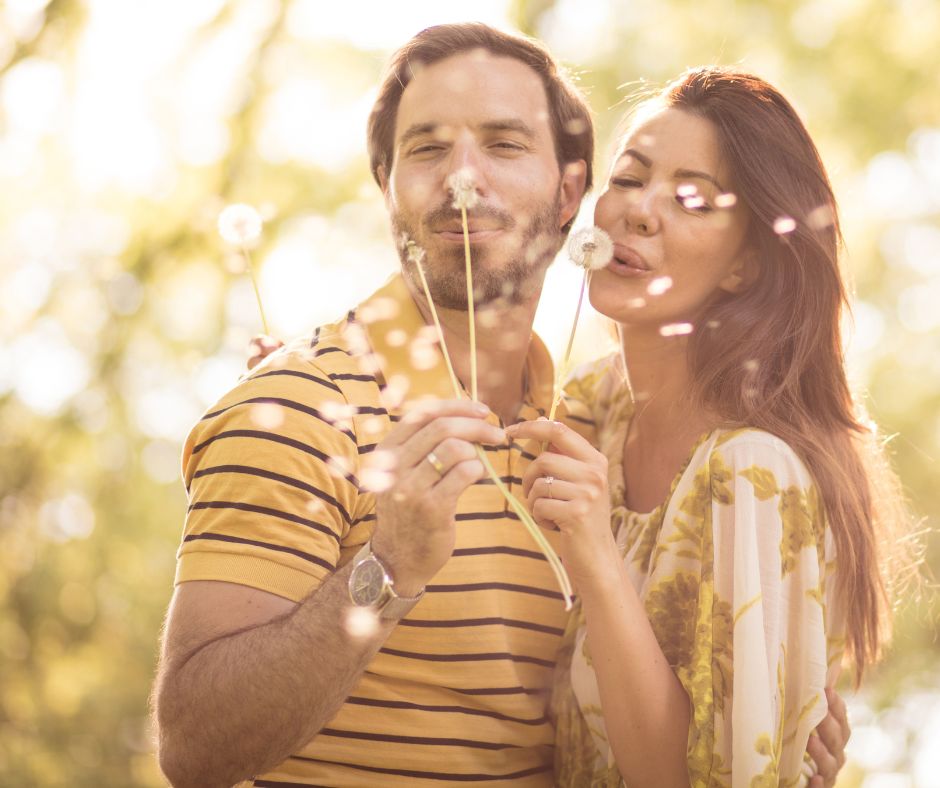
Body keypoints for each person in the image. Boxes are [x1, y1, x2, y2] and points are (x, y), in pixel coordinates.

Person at [152, 25, 850, 787]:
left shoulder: (588, 431)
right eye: (426, 149)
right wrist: (386, 570)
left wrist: (764, 720)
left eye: (504, 144)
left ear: (568, 194)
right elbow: (194, 751)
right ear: (385, 185)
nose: (463, 178)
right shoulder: (298, 409)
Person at [506, 67, 906, 786]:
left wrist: (595, 555)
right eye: (628, 178)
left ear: (745, 263)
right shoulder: (595, 409)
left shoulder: (752, 477)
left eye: (692, 199)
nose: (639, 210)